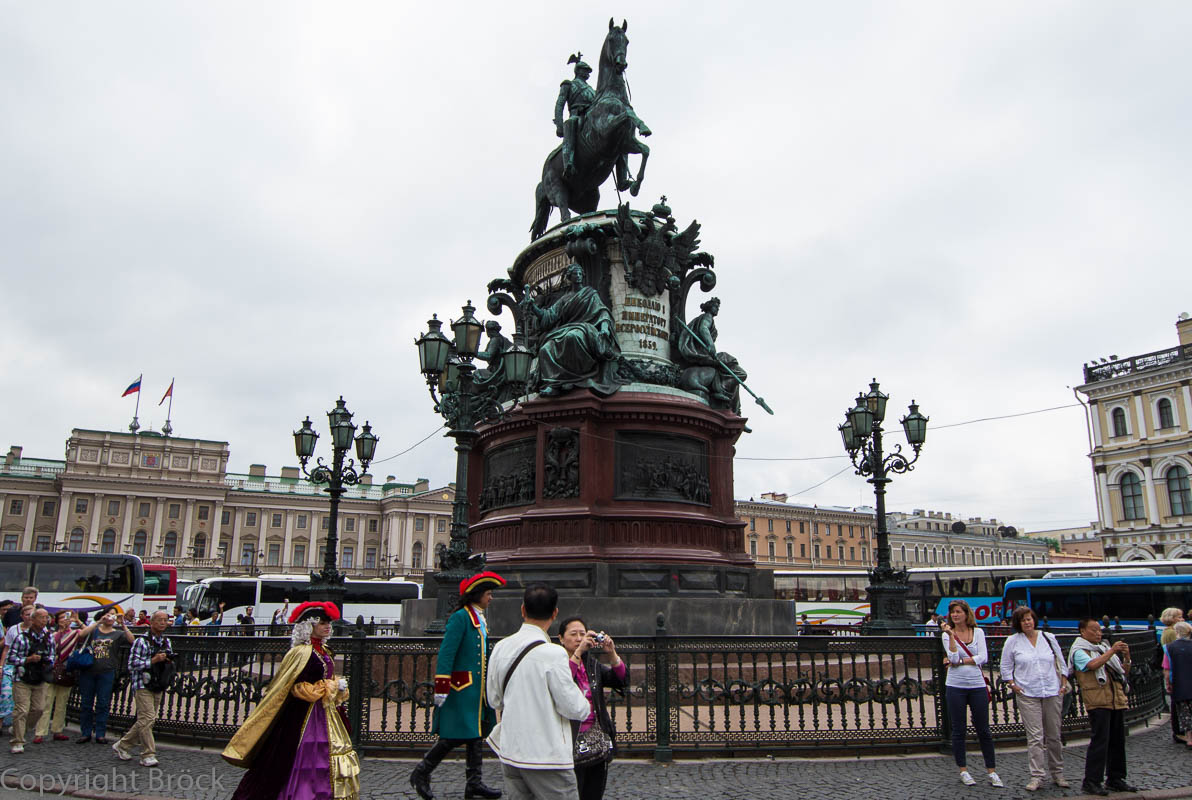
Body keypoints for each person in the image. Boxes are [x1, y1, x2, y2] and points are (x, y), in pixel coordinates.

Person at [222, 601, 360, 800]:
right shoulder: (301, 652)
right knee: (298, 756)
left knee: (325, 753)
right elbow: (295, 687)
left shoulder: (324, 650)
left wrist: (335, 686)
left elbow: (324, 680)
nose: (327, 626)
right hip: (303, 714)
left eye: (328, 622)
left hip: (325, 711)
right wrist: (328, 687)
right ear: (309, 626)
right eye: (322, 622)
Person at [486, 583, 591, 800]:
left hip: (511, 753)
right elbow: (574, 707)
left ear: (523, 610)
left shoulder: (501, 647)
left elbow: (493, 699)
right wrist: (585, 704)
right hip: (547, 757)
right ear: (555, 613)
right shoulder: (554, 654)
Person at [410, 572, 506, 800]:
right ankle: (421, 773)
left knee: (475, 734)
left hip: (476, 690)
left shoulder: (478, 618)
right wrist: (442, 684)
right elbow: (447, 652)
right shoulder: (461, 618)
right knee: (455, 735)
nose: (491, 598)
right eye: (488, 594)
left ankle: (474, 783)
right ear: (478, 595)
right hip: (463, 688)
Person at [521, 264, 621, 397]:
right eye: (575, 274)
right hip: (567, 328)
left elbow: (602, 312)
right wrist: (533, 307)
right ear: (570, 277)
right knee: (545, 349)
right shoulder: (564, 299)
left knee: (573, 337)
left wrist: (604, 330)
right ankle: (554, 384)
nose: (578, 276)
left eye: (580, 274)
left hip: (585, 328)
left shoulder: (590, 294)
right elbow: (548, 316)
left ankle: (574, 379)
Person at [1000, 606, 1069, 791]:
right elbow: (1005, 666)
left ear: (1034, 620)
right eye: (1023, 620)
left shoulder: (1048, 637)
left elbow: (1061, 662)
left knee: (1054, 735)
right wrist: (1012, 685)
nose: (1027, 622)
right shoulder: (1013, 641)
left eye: (1029, 619)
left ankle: (1058, 772)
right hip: (1028, 692)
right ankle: (1037, 775)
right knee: (1035, 737)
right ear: (1018, 623)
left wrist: (1063, 684)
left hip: (1052, 690)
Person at [558, 616, 626, 800]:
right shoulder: (557, 663)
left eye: (582, 634)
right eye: (573, 634)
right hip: (569, 738)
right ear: (561, 639)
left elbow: (620, 679)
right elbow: (563, 680)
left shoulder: (592, 665)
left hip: (595, 737)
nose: (579, 638)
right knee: (573, 791)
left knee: (593, 791)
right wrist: (578, 652)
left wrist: (611, 653)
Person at [1069, 617, 1138, 795]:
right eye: (1094, 630)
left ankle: (1116, 778)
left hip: (1115, 699)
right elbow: (1092, 665)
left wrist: (1126, 656)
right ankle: (1092, 781)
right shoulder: (1079, 651)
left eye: (1099, 630)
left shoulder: (1103, 649)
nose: (1098, 633)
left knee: (1117, 740)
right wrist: (1112, 651)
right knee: (1100, 741)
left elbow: (1122, 671)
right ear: (1083, 631)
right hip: (1097, 700)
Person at [940, 600, 1001, 787]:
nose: (955, 615)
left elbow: (983, 657)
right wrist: (950, 635)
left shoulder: (979, 632)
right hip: (955, 685)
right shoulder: (946, 635)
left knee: (984, 729)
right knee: (959, 730)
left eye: (958, 612)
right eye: (952, 613)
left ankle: (991, 771)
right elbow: (951, 657)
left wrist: (963, 661)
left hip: (976, 684)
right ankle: (963, 770)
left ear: (966, 614)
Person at [113, 610, 174, 767]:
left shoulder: (166, 642)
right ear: (151, 622)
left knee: (146, 720)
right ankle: (148, 754)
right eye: (159, 620)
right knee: (148, 718)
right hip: (142, 684)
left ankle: (122, 745)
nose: (162, 622)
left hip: (157, 683)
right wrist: (153, 660)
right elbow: (132, 665)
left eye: (165, 620)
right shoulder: (142, 641)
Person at [77, 608, 133, 744]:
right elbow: (81, 635)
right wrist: (97, 622)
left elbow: (132, 641)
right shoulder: (94, 630)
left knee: (103, 703)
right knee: (86, 703)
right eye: (108, 614)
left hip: (106, 672)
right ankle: (85, 732)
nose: (110, 617)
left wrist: (123, 624)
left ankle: (100, 733)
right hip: (88, 670)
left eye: (113, 615)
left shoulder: (117, 634)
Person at [8, 607, 55, 753]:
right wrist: (27, 659)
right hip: (22, 677)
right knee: (21, 710)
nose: (44, 620)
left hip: (40, 678)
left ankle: (20, 728)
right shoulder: (21, 637)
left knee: (39, 709)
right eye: (41, 617)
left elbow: (53, 656)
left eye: (46, 617)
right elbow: (11, 657)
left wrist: (47, 661)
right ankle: (18, 741)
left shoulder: (49, 637)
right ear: (32, 619)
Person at [36, 610, 82, 743]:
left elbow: (88, 631)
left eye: (66, 617)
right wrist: (60, 631)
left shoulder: (74, 633)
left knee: (62, 703)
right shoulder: (51, 634)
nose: (64, 620)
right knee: (46, 703)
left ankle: (58, 730)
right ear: (56, 620)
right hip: (51, 670)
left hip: (66, 671)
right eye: (61, 618)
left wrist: (78, 621)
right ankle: (40, 732)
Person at [554, 53, 595, 179]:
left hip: (591, 117)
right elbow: (560, 104)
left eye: (588, 71)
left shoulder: (592, 90)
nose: (587, 74)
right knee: (570, 123)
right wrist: (560, 125)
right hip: (576, 115)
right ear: (578, 71)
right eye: (585, 70)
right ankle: (568, 163)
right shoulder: (568, 84)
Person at [0, 603, 33, 735]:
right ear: (22, 616)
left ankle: (19, 726)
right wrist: (1, 666)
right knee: (6, 695)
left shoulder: (41, 631)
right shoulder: (14, 629)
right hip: (11, 666)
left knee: (26, 702)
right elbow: (6, 649)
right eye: (27, 614)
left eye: (32, 615)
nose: (29, 617)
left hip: (30, 669)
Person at [1164, 621, 1192, 748]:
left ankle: (1189, 738)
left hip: (1180, 685)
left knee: (1184, 713)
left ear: (1177, 633)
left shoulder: (1169, 648)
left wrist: (1168, 683)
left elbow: (1167, 669)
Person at [1158, 607, 1185, 742]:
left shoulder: (1167, 632)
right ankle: (1179, 731)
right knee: (1178, 703)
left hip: (1174, 670)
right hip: (1177, 670)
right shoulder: (1173, 632)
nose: (1182, 619)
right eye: (1179, 617)